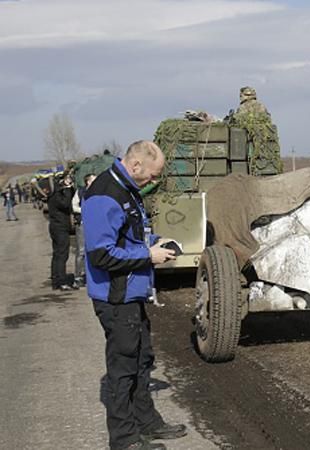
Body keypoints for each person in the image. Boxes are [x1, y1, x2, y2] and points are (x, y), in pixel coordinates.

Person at [82, 140, 185, 450]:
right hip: (116, 298)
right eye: (152, 176)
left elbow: (128, 236)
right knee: (123, 368)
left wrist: (157, 241)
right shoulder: (104, 194)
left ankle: (147, 423)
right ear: (136, 165)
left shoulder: (126, 189)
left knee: (142, 359)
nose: (153, 182)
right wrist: (148, 257)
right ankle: (124, 439)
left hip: (132, 294)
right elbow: (101, 255)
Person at [47, 175, 75, 290]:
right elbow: (66, 204)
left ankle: (55, 279)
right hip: (60, 227)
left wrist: (68, 189)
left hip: (54, 226)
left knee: (57, 254)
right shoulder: (57, 195)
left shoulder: (52, 194)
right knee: (62, 254)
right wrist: (68, 188)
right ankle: (62, 281)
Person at [71, 173, 96, 287]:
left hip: (95, 224)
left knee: (94, 250)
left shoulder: (99, 192)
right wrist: (84, 210)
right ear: (88, 181)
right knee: (81, 251)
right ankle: (78, 277)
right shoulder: (80, 192)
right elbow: (74, 206)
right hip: (82, 223)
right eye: (93, 180)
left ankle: (91, 277)